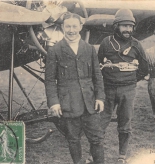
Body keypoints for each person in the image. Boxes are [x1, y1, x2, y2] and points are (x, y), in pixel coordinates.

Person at [44, 13, 105, 164]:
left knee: (97, 139)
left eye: (74, 26)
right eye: (68, 26)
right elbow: (50, 80)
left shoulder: (89, 49)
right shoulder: (55, 50)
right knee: (73, 140)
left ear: (80, 27)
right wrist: (54, 103)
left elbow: (97, 76)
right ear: (63, 27)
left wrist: (100, 98)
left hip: (90, 104)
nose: (71, 30)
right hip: (68, 104)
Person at [97, 9, 148, 164]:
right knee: (100, 124)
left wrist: (130, 80)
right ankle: (95, 155)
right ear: (116, 26)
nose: (128, 29)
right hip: (108, 90)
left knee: (125, 124)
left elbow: (144, 69)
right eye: (124, 26)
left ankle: (122, 156)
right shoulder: (106, 42)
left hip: (128, 89)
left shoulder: (136, 45)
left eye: (130, 26)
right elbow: (97, 65)